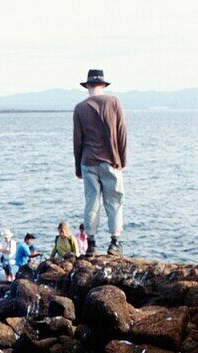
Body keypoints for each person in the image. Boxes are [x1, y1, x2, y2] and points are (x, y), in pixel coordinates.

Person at [73, 69, 127, 256]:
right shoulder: (114, 102)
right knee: (114, 201)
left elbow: (77, 140)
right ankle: (115, 243)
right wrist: (123, 160)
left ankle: (92, 244)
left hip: (87, 161)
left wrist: (77, 168)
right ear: (103, 85)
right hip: (111, 160)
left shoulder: (80, 108)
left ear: (87, 86)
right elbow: (121, 133)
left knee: (91, 202)